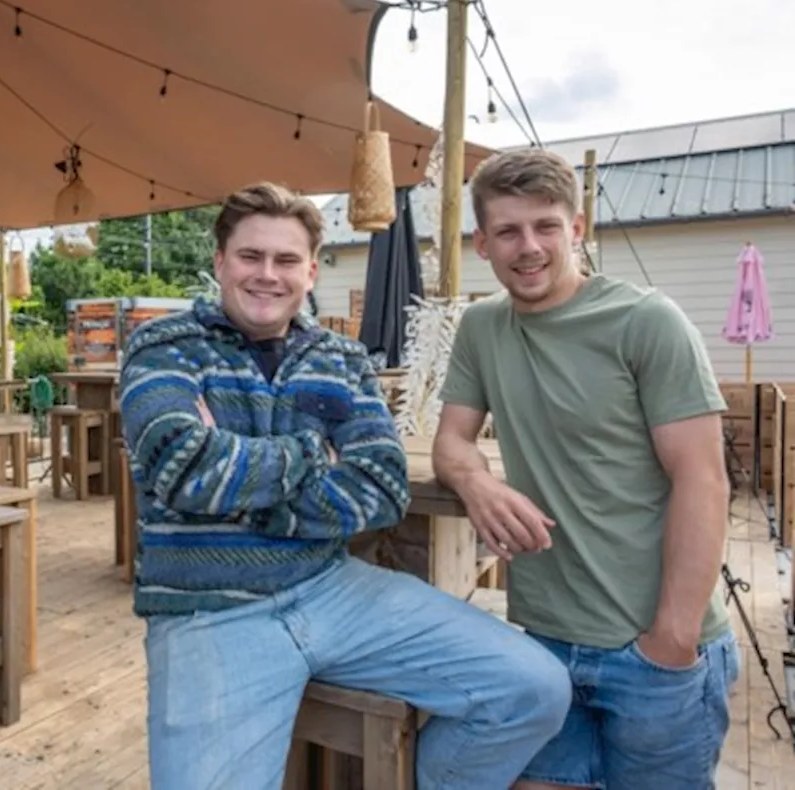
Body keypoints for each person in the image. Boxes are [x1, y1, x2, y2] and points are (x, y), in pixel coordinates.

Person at [119, 182, 572, 790]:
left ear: (310, 272)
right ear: (221, 261)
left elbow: (381, 487)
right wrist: (316, 450)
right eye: (251, 257)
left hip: (332, 587)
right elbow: (184, 467)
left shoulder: (341, 356)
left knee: (533, 689)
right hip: (209, 613)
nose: (267, 275)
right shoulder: (162, 345)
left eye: (286, 261)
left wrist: (243, 501)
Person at [431, 148, 739, 790]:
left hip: (653, 648)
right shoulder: (482, 328)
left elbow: (704, 481)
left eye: (546, 226)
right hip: (545, 642)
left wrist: (672, 642)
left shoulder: (647, 321)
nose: (529, 246)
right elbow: (451, 442)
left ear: (576, 228)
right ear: (483, 243)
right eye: (509, 231)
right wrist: (477, 480)